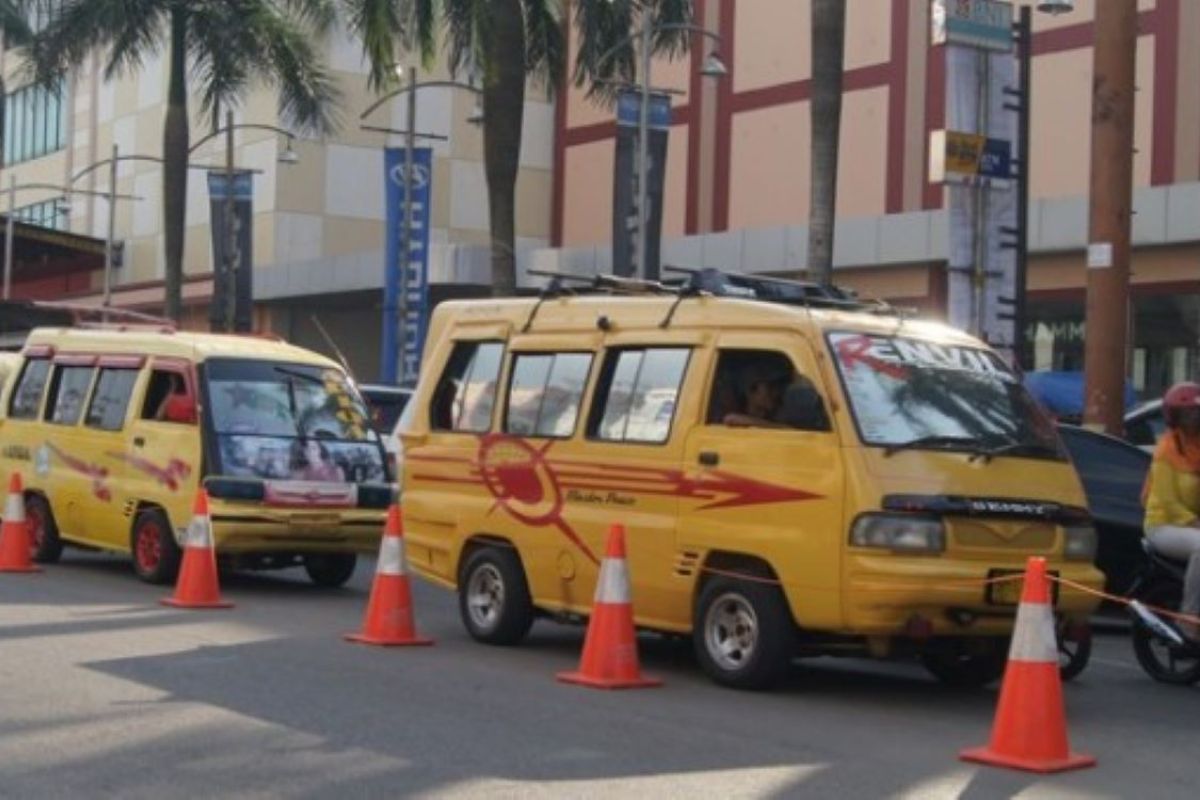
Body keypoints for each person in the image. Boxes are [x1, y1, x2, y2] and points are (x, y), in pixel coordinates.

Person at [1143, 381, 1200, 641]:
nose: (1195, 419)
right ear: (1174, 417)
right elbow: (1166, 501)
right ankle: (1189, 620)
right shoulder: (1166, 450)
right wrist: (1193, 522)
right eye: (1188, 414)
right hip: (1164, 525)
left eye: (1198, 413)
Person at [723, 362, 788, 428]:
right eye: (770, 387)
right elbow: (730, 419)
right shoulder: (737, 416)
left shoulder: (779, 414)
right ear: (750, 391)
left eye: (778, 386)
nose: (776, 392)